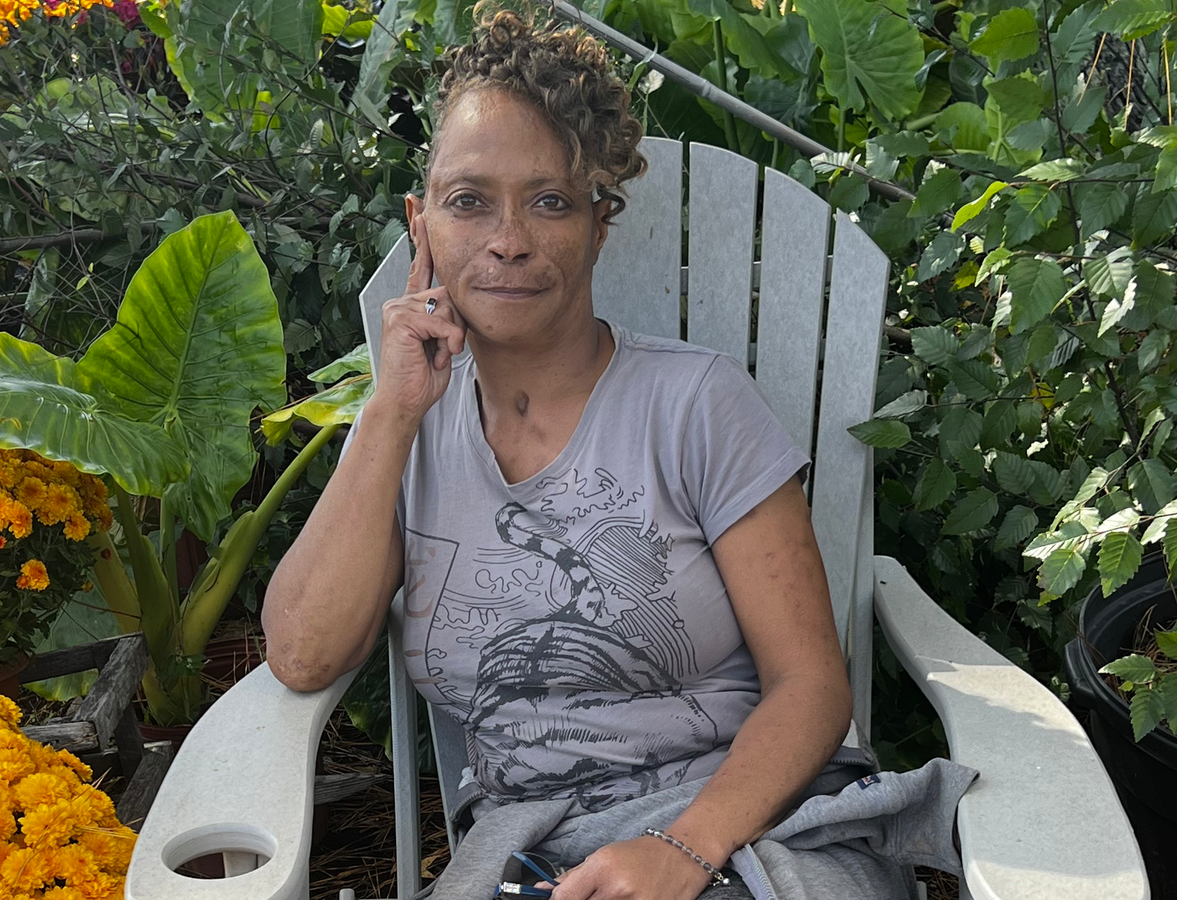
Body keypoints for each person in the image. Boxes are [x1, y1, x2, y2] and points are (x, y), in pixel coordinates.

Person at [262, 7, 973, 899]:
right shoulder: (406, 433)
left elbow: (811, 686)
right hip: (534, 853)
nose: (508, 239)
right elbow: (303, 655)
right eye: (469, 201)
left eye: (550, 201)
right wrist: (390, 415)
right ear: (421, 223)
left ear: (599, 224)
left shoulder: (695, 405)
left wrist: (681, 850)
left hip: (753, 824)